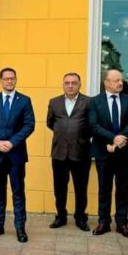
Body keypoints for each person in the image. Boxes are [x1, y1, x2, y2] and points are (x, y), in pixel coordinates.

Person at [0, 67, 36, 243]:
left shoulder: (25, 101)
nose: (9, 81)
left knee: (18, 190)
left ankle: (20, 227)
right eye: (6, 79)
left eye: (12, 78)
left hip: (16, 153)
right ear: (1, 81)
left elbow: (29, 125)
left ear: (16, 80)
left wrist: (12, 142)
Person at [89, 69, 128, 237]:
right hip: (104, 151)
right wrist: (112, 139)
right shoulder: (95, 102)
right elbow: (94, 126)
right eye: (116, 80)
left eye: (121, 80)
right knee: (104, 188)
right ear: (106, 82)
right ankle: (103, 222)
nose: (121, 83)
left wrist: (120, 140)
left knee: (123, 189)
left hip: (124, 152)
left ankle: (122, 223)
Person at [46, 73, 91, 231]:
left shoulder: (88, 102)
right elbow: (50, 123)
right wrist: (65, 135)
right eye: (67, 83)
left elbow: (92, 125)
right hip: (59, 153)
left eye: (74, 83)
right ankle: (61, 216)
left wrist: (78, 137)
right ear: (63, 84)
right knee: (59, 188)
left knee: (81, 188)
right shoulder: (54, 102)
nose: (70, 85)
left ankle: (80, 217)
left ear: (80, 84)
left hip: (81, 152)